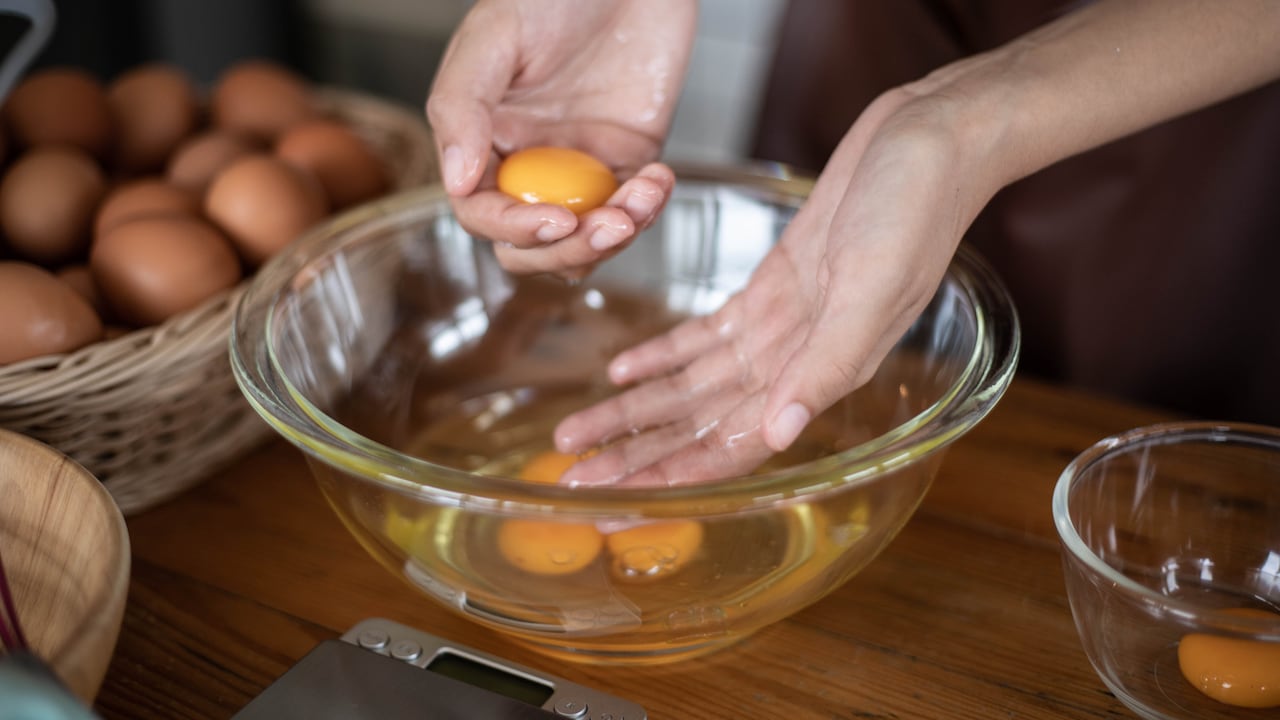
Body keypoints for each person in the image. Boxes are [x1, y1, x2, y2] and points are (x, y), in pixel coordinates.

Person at [426, 0, 1280, 487]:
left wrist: (975, 112)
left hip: (1189, 68)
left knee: (1141, 467)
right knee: (831, 352)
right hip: (884, 29)